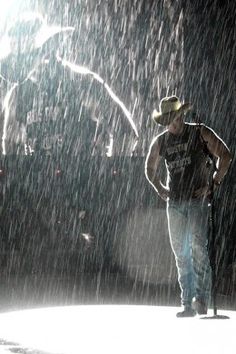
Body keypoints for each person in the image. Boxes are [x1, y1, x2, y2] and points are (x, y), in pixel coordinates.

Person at [145, 95, 232, 317]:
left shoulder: (199, 132)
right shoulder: (162, 141)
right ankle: (186, 304)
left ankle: (201, 300)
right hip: (174, 202)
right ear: (165, 120)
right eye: (172, 119)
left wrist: (214, 183)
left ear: (182, 114)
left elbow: (226, 156)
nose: (176, 121)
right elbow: (149, 167)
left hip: (197, 200)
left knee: (197, 248)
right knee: (181, 253)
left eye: (178, 116)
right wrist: (159, 188)